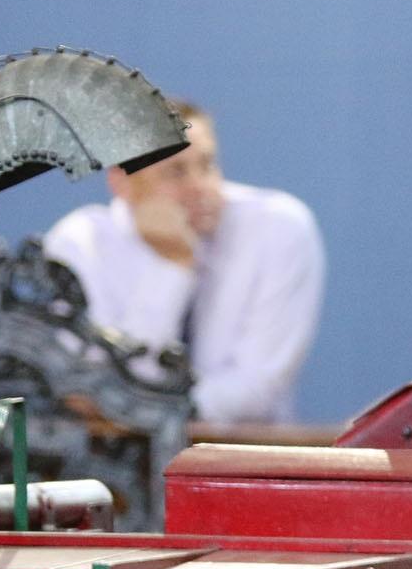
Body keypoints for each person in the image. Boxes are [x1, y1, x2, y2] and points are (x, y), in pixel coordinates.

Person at [42, 100, 324, 425]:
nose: (200, 187)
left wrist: (145, 410)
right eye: (175, 171)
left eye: (206, 165)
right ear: (120, 181)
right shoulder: (79, 244)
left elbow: (258, 389)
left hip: (239, 458)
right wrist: (172, 265)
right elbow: (88, 385)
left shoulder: (278, 228)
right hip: (110, 457)